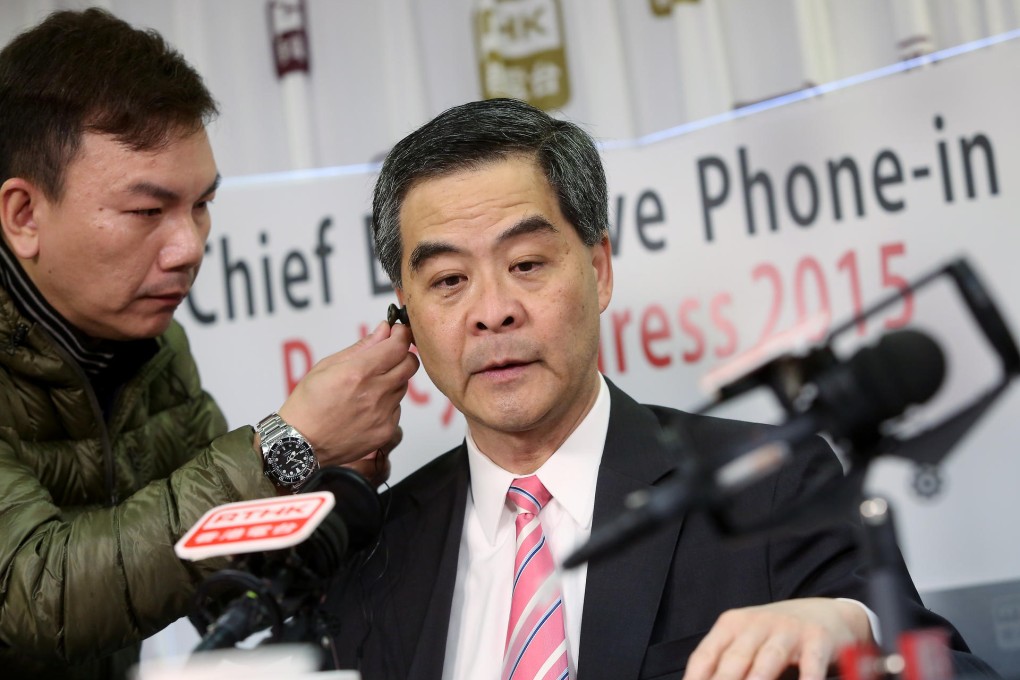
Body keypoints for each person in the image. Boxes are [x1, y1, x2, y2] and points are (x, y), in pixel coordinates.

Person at [324, 98, 998, 680]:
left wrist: (852, 633)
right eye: (448, 281)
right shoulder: (376, 550)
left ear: (599, 269)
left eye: (526, 264)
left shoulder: (767, 486)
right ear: (405, 309)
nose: (492, 310)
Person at [0, 8, 418, 679]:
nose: (189, 247)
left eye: (201, 205)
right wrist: (289, 444)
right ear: (24, 215)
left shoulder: (156, 348)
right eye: (146, 211)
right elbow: (35, 591)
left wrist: (326, 484)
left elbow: (212, 578)